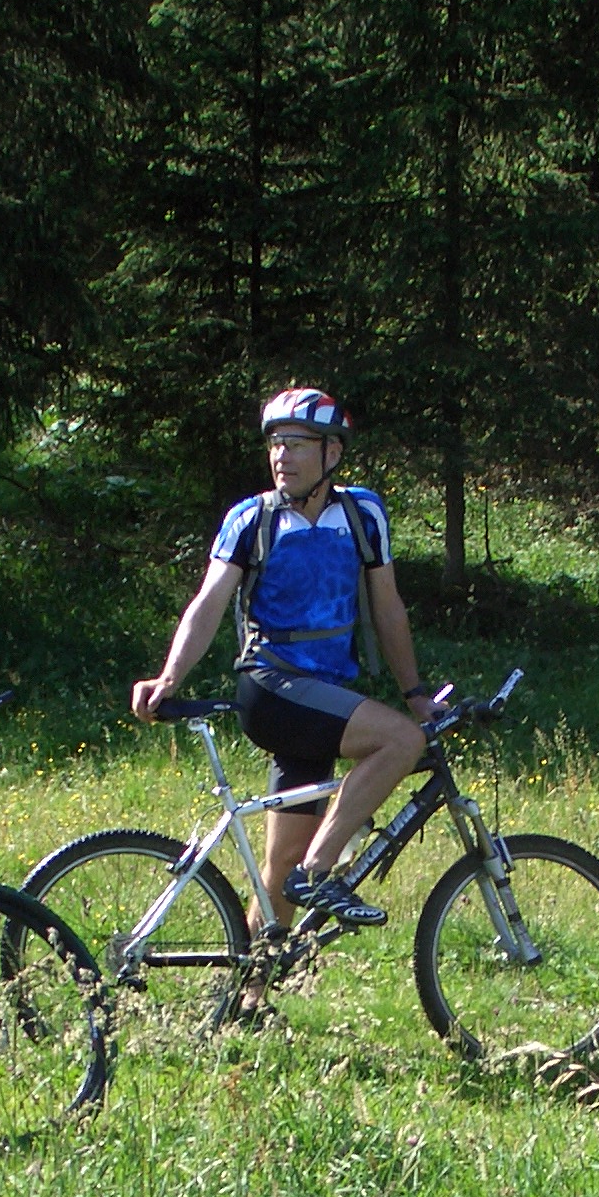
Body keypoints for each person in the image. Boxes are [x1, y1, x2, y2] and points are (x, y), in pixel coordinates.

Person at [130, 389, 437, 930]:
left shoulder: (362, 513)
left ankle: (246, 998)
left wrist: (414, 692)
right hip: (272, 689)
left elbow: (388, 609)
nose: (281, 456)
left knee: (278, 873)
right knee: (402, 741)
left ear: (332, 454)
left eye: (296, 444)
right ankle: (321, 873)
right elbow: (208, 603)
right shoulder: (252, 519)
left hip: (323, 699)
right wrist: (170, 676)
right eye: (275, 443)